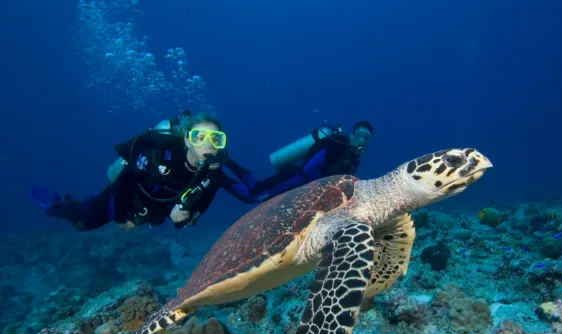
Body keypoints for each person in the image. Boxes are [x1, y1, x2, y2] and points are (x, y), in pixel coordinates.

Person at [31, 111, 263, 231]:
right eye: (199, 137)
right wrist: (122, 220)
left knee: (89, 211)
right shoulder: (161, 154)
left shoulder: (212, 173)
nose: (207, 144)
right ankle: (57, 206)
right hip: (127, 199)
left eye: (216, 139)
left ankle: (81, 204)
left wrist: (185, 218)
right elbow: (123, 181)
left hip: (151, 213)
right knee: (83, 223)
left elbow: (197, 210)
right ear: (187, 140)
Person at [224, 120, 374, 201]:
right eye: (359, 134)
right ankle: (221, 173)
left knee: (256, 187)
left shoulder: (354, 159)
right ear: (352, 134)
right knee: (253, 195)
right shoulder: (337, 146)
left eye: (366, 138)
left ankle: (225, 162)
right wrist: (329, 188)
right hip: (294, 178)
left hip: (306, 187)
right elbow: (309, 169)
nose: (361, 140)